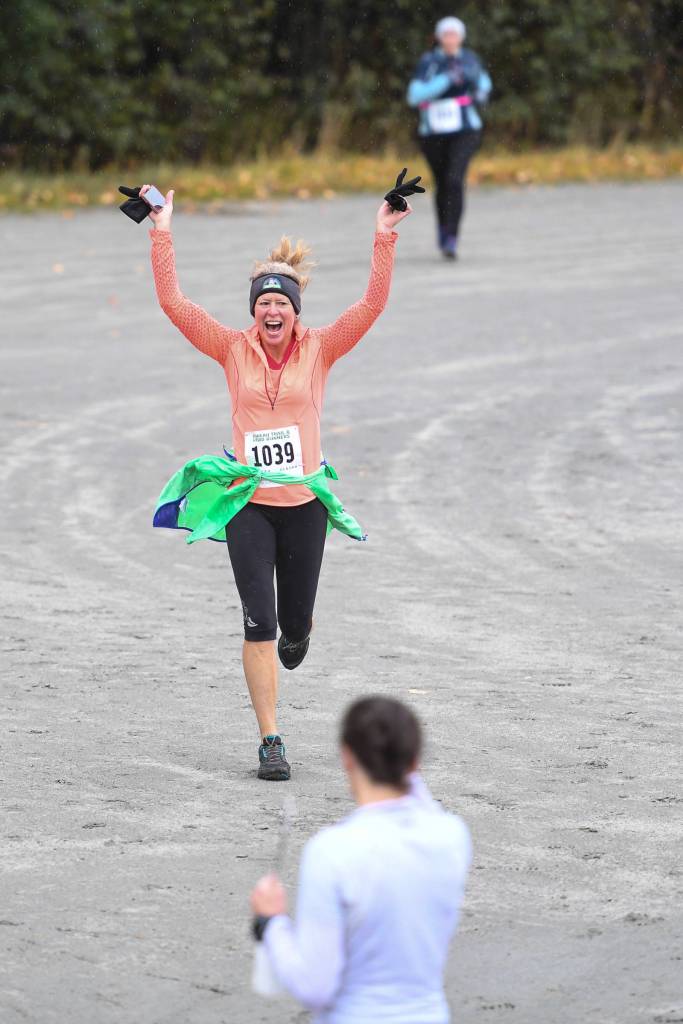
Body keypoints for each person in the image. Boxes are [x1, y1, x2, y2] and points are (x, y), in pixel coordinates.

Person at [143, 184, 413, 781]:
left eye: (282, 304)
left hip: (305, 505)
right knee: (258, 623)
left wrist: (385, 231)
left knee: (292, 626)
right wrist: (160, 230)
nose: (272, 312)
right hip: (247, 504)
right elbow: (174, 303)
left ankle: (301, 631)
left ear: (295, 311)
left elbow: (370, 306)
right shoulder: (229, 349)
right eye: (264, 303)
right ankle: (271, 739)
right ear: (253, 310)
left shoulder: (320, 350)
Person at [250, 696, 472, 1022]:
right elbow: (419, 797)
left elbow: (314, 987)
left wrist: (271, 924)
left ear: (347, 757)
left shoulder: (331, 852)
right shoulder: (452, 837)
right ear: (415, 763)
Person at [407, 15, 492, 260]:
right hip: (433, 133)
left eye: (455, 34)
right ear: (439, 37)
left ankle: (452, 237)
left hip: (465, 131)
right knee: (443, 182)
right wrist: (445, 81)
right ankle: (443, 230)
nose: (451, 39)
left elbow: (484, 82)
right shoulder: (429, 62)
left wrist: (481, 90)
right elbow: (415, 96)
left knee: (455, 179)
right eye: (446, 34)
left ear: (461, 37)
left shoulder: (469, 59)